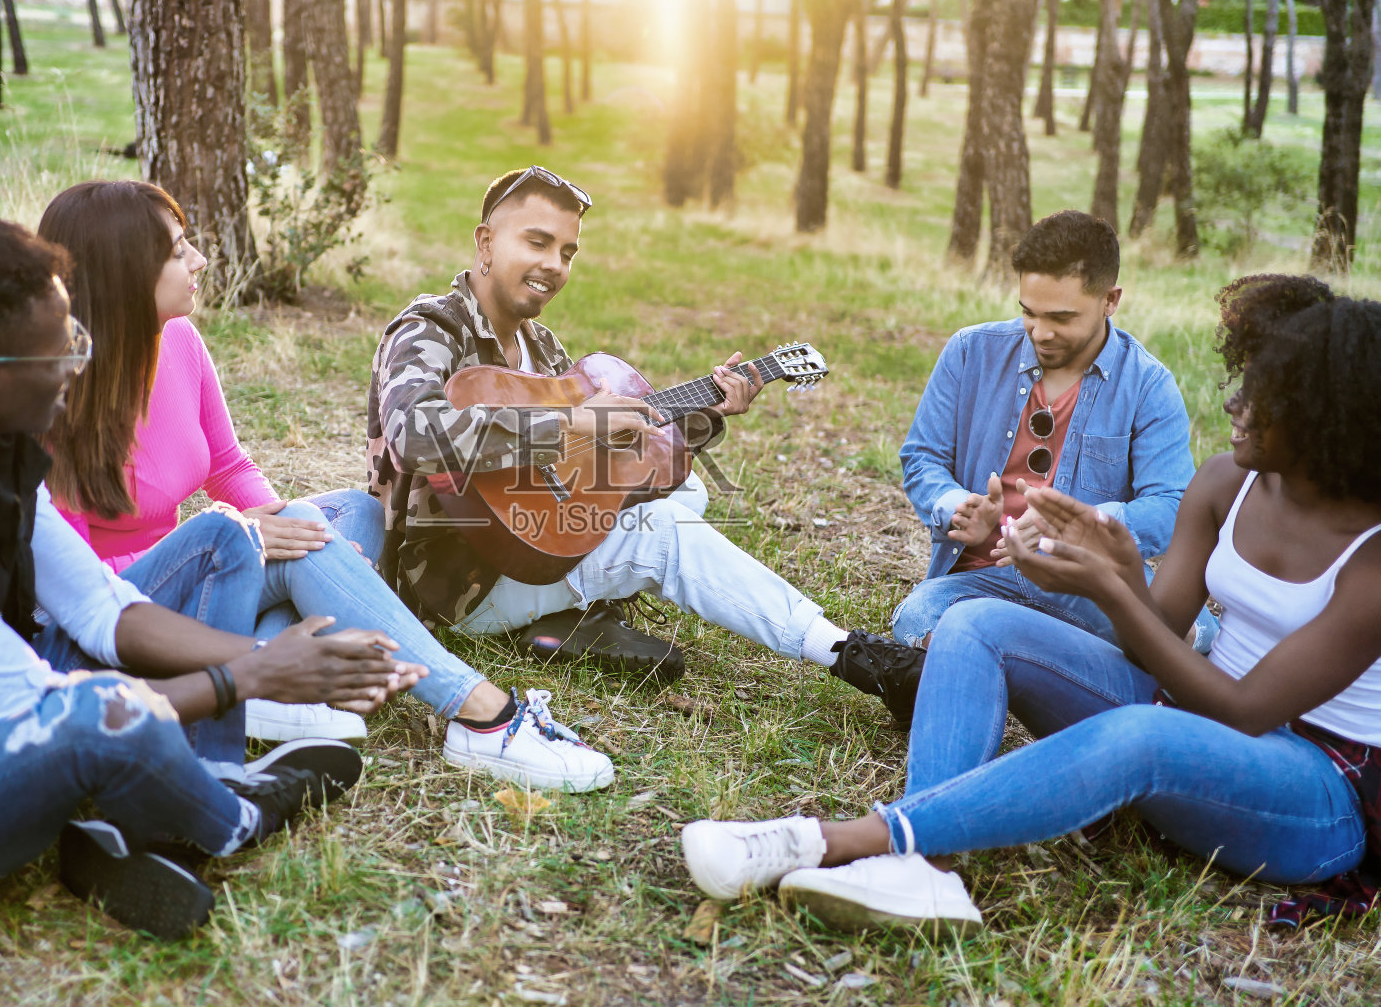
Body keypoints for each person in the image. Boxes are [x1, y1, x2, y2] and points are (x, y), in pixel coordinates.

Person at [680, 277, 1381, 936]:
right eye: (1246, 382)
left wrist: (1109, 590)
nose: (1235, 404)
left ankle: (847, 839)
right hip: (1185, 719)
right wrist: (1121, 575)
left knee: (1142, 733)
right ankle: (927, 870)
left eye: (1266, 398)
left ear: (1328, 421)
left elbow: (1247, 711)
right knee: (975, 622)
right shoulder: (1228, 481)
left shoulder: (1373, 557)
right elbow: (1156, 643)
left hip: (1315, 792)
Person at [0, 220, 417, 940]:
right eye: (63, 352)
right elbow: (42, 709)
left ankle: (154, 802)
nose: (76, 366)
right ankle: (232, 818)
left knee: (220, 540)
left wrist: (264, 659)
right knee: (91, 720)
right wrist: (250, 678)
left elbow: (95, 605)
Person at [39, 181, 612, 793]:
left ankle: (278, 671)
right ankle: (481, 714)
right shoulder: (54, 394)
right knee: (269, 539)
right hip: (121, 609)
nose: (200, 260)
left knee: (355, 516)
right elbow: (67, 586)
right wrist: (249, 541)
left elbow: (228, 465)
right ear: (124, 269)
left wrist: (287, 528)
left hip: (204, 572)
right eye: (179, 250)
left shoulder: (178, 340)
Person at [366, 165, 880, 735]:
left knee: (686, 488)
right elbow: (416, 433)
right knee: (662, 532)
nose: (553, 265)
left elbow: (593, 466)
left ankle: (569, 607)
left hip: (529, 536)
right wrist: (575, 421)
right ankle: (844, 651)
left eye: (567, 251)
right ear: (486, 241)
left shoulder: (541, 345)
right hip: (453, 584)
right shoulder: (429, 328)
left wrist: (704, 416)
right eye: (536, 242)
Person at [846, 211, 1217, 723]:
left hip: (1087, 585)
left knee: (1197, 635)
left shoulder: (1149, 385)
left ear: (1111, 300)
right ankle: (1038, 674)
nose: (1040, 332)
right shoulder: (970, 351)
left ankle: (975, 673)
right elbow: (923, 457)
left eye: (1062, 318)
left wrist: (1081, 526)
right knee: (917, 615)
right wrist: (960, 507)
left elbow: (1173, 505)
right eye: (1029, 312)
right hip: (981, 579)